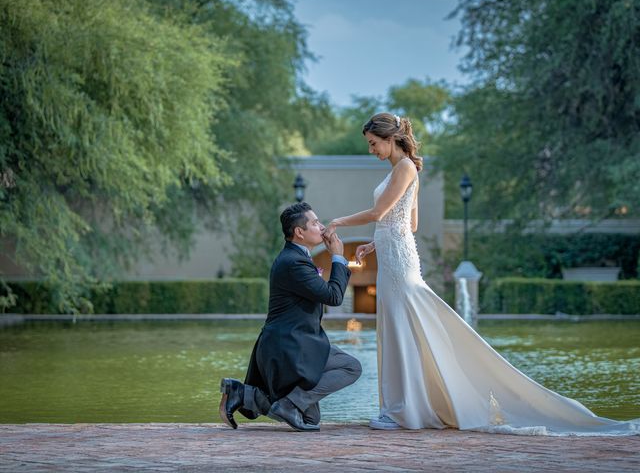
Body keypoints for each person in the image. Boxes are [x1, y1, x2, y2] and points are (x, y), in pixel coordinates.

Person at [322, 112, 639, 436]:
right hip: (392, 258)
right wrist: (374, 244)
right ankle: (401, 406)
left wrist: (337, 222)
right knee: (399, 328)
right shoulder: (403, 169)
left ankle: (404, 410)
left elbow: (380, 213)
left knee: (404, 329)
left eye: (374, 144)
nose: (372, 150)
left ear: (390, 139)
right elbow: (408, 223)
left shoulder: (404, 168)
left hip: (400, 266)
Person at [219, 202, 362, 432]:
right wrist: (337, 257)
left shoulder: (296, 257)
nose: (322, 226)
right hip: (290, 348)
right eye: (315, 223)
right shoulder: (294, 262)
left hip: (294, 343)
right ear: (299, 232)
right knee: (351, 367)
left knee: (310, 420)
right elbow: (334, 297)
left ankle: (245, 395)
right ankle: (290, 402)